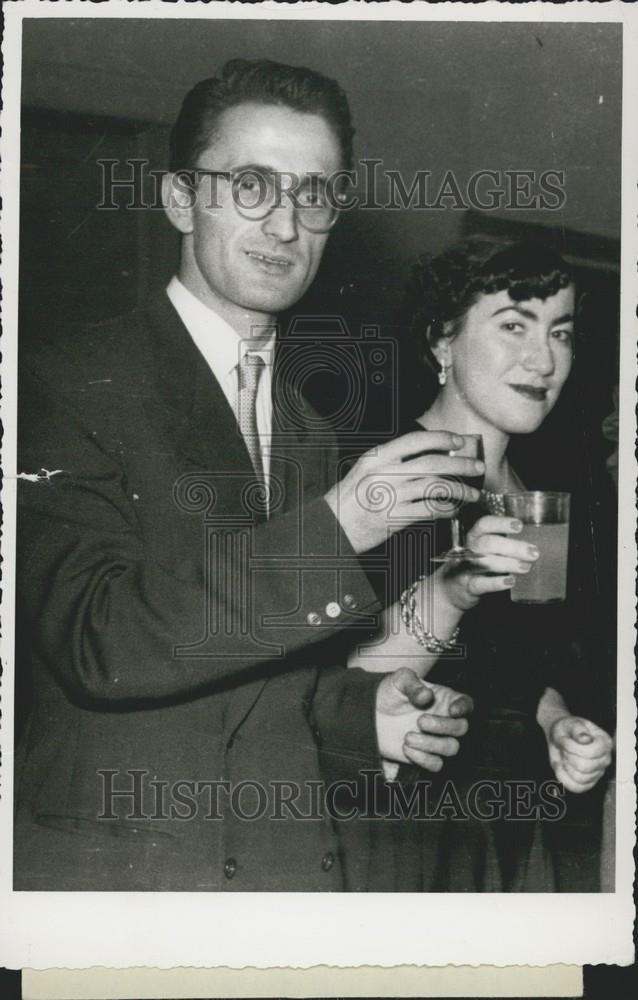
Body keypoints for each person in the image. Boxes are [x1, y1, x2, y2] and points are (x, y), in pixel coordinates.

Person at [14, 59, 477, 891]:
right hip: (121, 885)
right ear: (181, 200)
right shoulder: (60, 382)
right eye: (253, 185)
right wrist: (336, 532)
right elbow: (97, 637)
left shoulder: (310, 428)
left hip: (280, 875)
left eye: (314, 193)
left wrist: (361, 713)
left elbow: (272, 689)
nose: (286, 224)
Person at [345, 238, 614, 891]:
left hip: (509, 833)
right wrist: (451, 585)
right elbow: (340, 692)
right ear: (442, 341)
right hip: (404, 830)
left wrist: (556, 724)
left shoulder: (536, 494)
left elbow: (518, 666)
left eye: (562, 333)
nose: (543, 358)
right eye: (515, 325)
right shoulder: (382, 478)